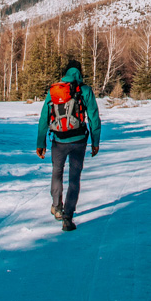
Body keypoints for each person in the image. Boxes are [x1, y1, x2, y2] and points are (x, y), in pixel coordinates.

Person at [36, 59, 101, 232]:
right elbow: (94, 117)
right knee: (74, 177)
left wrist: (40, 143)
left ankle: (57, 207)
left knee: (57, 172)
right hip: (79, 140)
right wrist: (95, 141)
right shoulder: (85, 90)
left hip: (58, 140)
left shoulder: (55, 91)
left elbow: (44, 117)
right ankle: (68, 217)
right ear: (80, 72)